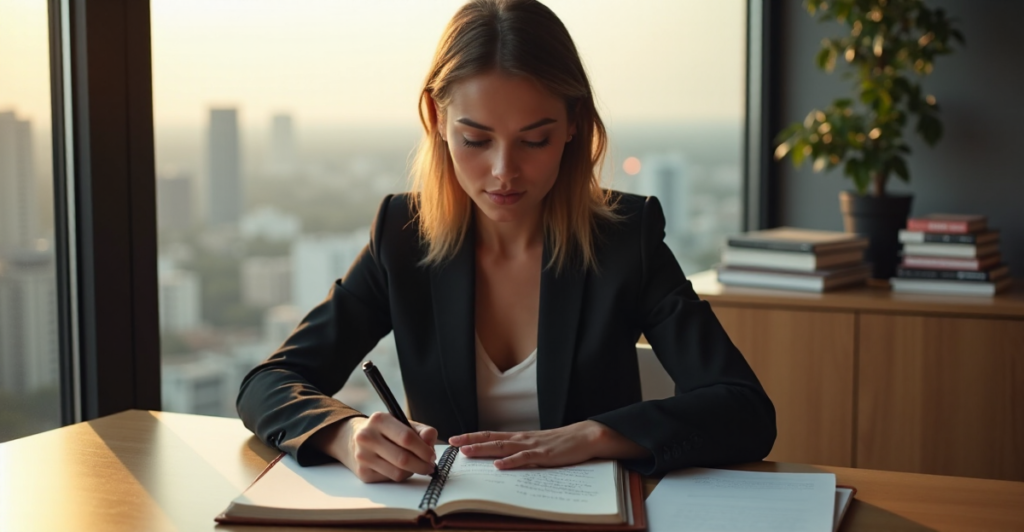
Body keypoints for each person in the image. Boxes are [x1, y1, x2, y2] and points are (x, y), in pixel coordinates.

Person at [237, 0, 775, 484]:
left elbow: (744, 409)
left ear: (572, 125)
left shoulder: (623, 240)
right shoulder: (403, 235)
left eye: (534, 140)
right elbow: (269, 383)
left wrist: (591, 436)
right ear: (436, 119)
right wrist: (345, 435)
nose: (503, 172)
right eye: (475, 139)